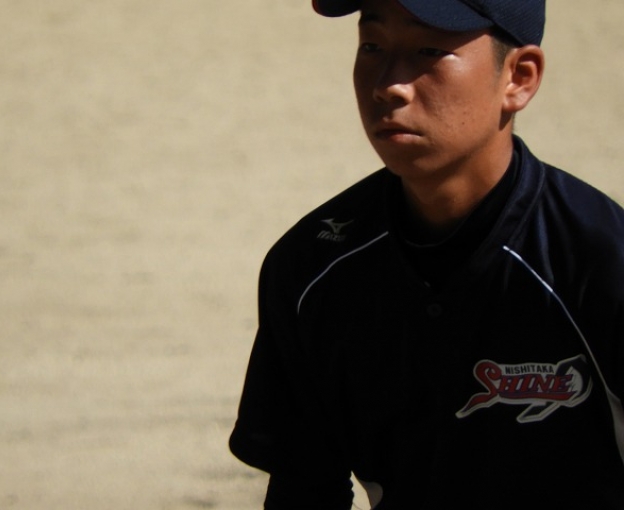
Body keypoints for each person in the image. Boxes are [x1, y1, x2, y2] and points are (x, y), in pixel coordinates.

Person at [229, 0, 624, 508]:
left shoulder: (601, 262)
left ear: (519, 78)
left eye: (429, 50)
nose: (388, 85)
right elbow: (304, 488)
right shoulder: (312, 268)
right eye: (372, 46)